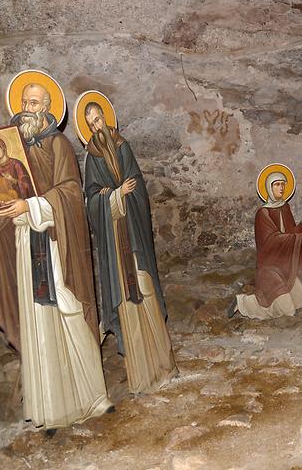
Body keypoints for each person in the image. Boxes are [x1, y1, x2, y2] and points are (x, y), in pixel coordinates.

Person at [0, 81, 112, 432]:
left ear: (49, 108)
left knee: (70, 310)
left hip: (55, 243)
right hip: (24, 243)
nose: (28, 108)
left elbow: (72, 194)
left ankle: (91, 395)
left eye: (36, 102)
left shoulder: (58, 146)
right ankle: (50, 404)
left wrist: (31, 204)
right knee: (38, 323)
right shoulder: (12, 150)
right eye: (25, 101)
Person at [83, 101, 177, 394]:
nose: (97, 126)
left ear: (108, 118)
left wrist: (123, 193)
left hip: (132, 240)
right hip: (114, 243)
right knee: (126, 302)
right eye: (91, 124)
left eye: (99, 119)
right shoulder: (91, 157)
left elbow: (137, 189)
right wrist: (113, 196)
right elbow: (91, 199)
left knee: (145, 291)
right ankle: (140, 376)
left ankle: (164, 366)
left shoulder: (123, 147)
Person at [229, 169, 302, 319]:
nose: (281, 188)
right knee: (289, 312)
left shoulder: (284, 207)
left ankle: (264, 304)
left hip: (285, 266)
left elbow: (292, 232)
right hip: (269, 268)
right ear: (268, 187)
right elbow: (273, 240)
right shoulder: (263, 213)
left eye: (283, 184)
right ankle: (244, 303)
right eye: (277, 184)